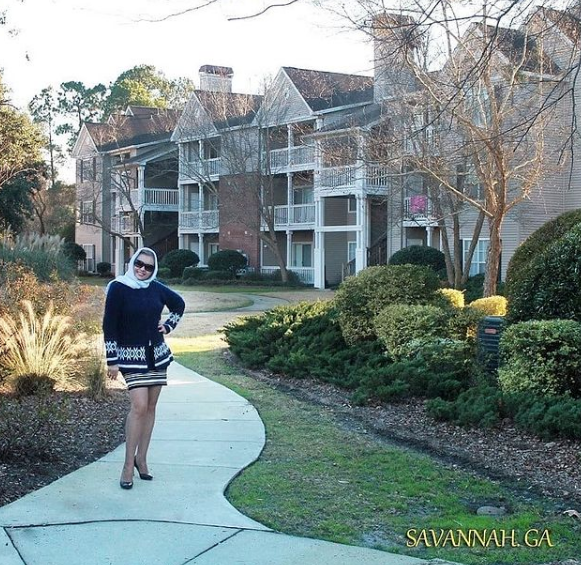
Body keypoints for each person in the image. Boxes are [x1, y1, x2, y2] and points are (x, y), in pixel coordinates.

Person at [103, 247, 185, 490]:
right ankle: (128, 465)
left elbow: (179, 304)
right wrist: (112, 359)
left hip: (157, 356)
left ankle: (142, 459)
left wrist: (168, 326)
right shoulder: (118, 288)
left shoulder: (156, 288)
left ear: (153, 269)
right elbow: (109, 325)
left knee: (150, 407)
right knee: (138, 407)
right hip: (130, 358)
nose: (142, 270)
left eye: (148, 267)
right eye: (139, 264)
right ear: (132, 263)